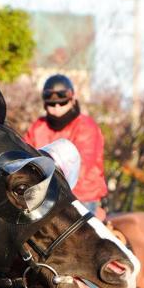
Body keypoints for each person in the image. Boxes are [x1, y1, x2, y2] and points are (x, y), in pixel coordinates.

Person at [24, 75, 107, 216]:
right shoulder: (38, 127)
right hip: (42, 198)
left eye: (62, 103)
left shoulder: (86, 127)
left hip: (81, 197)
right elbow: (25, 158)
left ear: (72, 100)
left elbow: (81, 168)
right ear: (45, 104)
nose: (57, 108)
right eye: (52, 104)